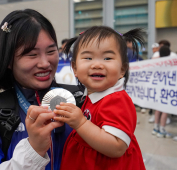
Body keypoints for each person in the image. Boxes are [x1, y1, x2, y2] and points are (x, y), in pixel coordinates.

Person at [0, 9, 84, 170]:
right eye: (31, 54)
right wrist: (33, 152)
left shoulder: (82, 99)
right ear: (8, 60)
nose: (45, 63)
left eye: (51, 51)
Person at [53, 26, 146, 170]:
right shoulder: (91, 96)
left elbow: (117, 147)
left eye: (107, 58)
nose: (97, 64)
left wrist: (80, 123)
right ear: (75, 69)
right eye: (88, 58)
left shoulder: (116, 100)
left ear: (122, 70)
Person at [152, 45, 172, 138]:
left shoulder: (156, 61)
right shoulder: (171, 62)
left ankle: (155, 128)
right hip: (167, 88)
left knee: (158, 108)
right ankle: (162, 129)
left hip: (158, 87)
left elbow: (153, 59)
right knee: (165, 110)